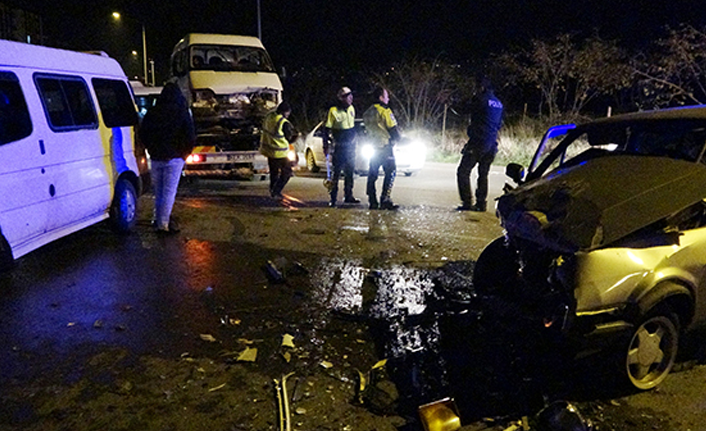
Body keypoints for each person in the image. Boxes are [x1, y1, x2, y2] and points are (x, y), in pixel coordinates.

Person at [139, 82, 196, 233]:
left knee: (158, 192)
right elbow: (190, 136)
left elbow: (143, 133)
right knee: (169, 193)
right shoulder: (181, 112)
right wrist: (184, 154)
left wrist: (151, 149)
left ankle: (158, 220)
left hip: (156, 157)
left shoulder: (153, 112)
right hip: (175, 158)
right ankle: (163, 225)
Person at [456, 78, 503, 212]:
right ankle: (481, 203)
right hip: (492, 144)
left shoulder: (480, 99)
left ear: (481, 88)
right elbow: (499, 124)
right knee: (483, 174)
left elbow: (464, 110)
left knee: (463, 171)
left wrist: (456, 104)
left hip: (478, 142)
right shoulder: (498, 103)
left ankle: (467, 202)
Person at [363, 86, 401, 210]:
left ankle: (372, 200)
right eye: (386, 96)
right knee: (391, 172)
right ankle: (385, 198)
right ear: (381, 98)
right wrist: (398, 139)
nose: (388, 98)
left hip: (373, 147)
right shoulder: (385, 111)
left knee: (372, 174)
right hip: (385, 147)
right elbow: (393, 129)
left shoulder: (367, 112)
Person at [323, 86, 359, 207]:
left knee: (350, 173)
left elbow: (353, 127)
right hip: (339, 146)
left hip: (350, 147)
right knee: (336, 173)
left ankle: (348, 195)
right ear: (342, 98)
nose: (351, 98)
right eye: (349, 96)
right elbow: (326, 129)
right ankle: (333, 198)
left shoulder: (351, 109)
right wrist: (325, 145)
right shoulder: (333, 111)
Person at [260, 101, 297, 200]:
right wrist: (296, 137)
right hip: (279, 152)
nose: (288, 115)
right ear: (285, 112)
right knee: (287, 172)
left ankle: (272, 190)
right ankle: (276, 191)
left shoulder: (269, 116)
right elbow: (289, 138)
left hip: (268, 150)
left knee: (274, 172)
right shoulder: (283, 122)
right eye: (288, 113)